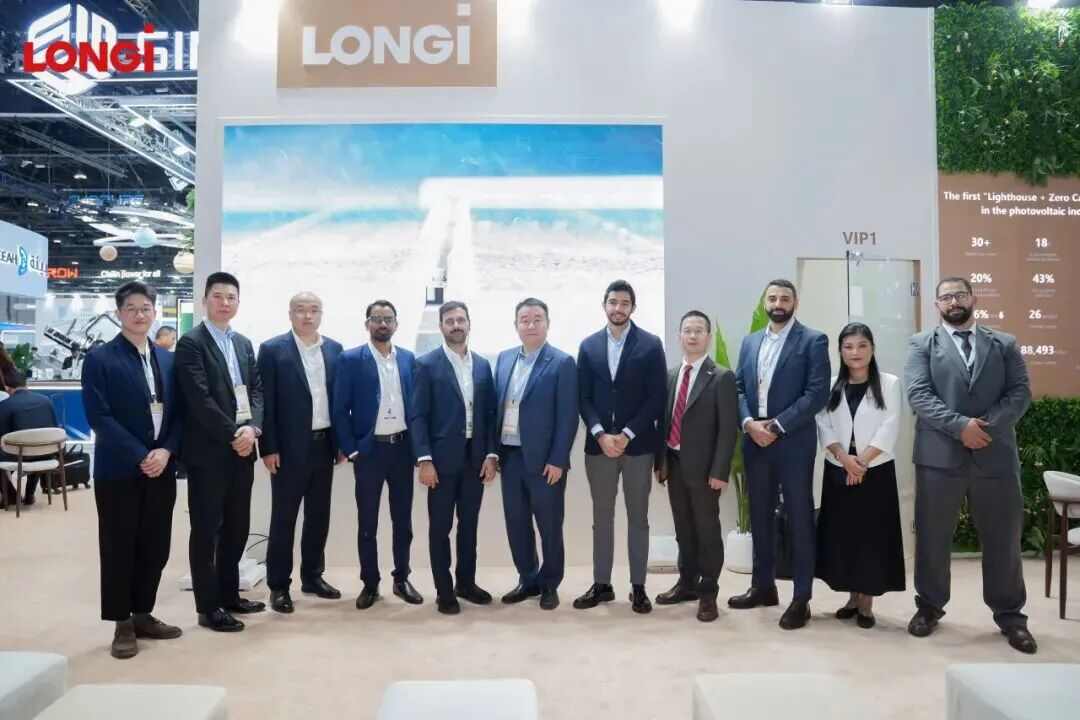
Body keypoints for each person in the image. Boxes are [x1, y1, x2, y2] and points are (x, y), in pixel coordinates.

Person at [904, 277, 1036, 654]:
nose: (953, 302)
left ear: (973, 298)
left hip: (995, 455)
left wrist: (984, 428)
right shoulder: (921, 344)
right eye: (946, 297)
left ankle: (1010, 615)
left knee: (1003, 538)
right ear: (937, 304)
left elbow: (1020, 392)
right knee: (932, 537)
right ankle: (929, 606)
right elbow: (918, 394)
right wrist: (960, 426)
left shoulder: (1004, 343)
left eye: (960, 295)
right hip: (938, 458)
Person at [81, 281, 183, 659]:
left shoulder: (167, 359)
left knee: (155, 546)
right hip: (119, 470)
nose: (140, 314)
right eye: (131, 308)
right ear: (119, 313)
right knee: (119, 545)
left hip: (162, 467)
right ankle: (121, 622)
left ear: (154, 312)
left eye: (146, 308)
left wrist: (167, 450)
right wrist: (142, 455)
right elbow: (99, 417)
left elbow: (179, 413)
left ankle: (143, 613)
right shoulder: (100, 359)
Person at [728, 279, 830, 630]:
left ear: (795, 303)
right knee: (759, 515)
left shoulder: (813, 340)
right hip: (754, 440)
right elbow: (738, 387)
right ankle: (763, 587)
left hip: (793, 441)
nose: (778, 303)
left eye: (785, 298)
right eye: (772, 298)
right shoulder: (750, 342)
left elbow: (816, 393)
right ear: (765, 303)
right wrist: (748, 423)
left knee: (799, 517)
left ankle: (801, 598)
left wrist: (776, 426)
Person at [175, 271, 265, 632]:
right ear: (204, 301)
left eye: (231, 297)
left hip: (243, 449)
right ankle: (208, 607)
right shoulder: (191, 343)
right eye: (218, 296)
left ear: (238, 303)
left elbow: (256, 390)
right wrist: (234, 433)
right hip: (209, 452)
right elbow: (199, 399)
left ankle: (230, 595)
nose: (224, 303)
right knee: (206, 529)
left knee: (237, 526)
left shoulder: (242, 343)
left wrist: (252, 428)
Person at [573, 280, 666, 614]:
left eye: (624, 303)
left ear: (633, 308)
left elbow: (656, 397)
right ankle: (602, 584)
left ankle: (638, 587)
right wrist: (601, 434)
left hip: (638, 446)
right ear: (605, 305)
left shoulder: (651, 345)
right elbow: (582, 396)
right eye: (613, 302)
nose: (618, 308)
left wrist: (626, 434)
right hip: (599, 447)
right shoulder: (588, 346)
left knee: (638, 518)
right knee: (602, 517)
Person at [409, 301, 499, 615]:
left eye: (461, 319)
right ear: (441, 327)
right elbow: (418, 416)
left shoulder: (483, 365)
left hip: (475, 460)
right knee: (440, 528)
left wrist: (491, 454)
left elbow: (490, 414)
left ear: (469, 324)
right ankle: (444, 591)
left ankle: (466, 584)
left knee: (469, 527)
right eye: (450, 321)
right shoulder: (426, 365)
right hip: (440, 462)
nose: (456, 325)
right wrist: (424, 459)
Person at [257, 292, 344, 614]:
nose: (307, 316)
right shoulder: (272, 349)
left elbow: (340, 400)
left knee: (318, 516)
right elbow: (265, 402)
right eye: (300, 310)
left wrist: (340, 443)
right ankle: (279, 585)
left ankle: (313, 576)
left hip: (324, 444)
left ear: (321, 314)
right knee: (284, 518)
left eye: (313, 310)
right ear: (290, 313)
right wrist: (268, 447)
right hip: (288, 448)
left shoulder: (334, 349)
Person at [814, 323, 904, 629]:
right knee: (845, 536)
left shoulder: (890, 383)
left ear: (872, 349)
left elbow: (890, 425)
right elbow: (823, 424)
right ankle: (852, 597)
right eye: (849, 346)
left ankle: (866, 602)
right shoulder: (830, 385)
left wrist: (861, 463)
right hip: (838, 469)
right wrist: (845, 459)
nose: (855, 352)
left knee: (872, 538)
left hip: (875, 471)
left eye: (862, 345)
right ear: (840, 351)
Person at [332, 300, 421, 609]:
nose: (383, 324)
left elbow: (416, 407)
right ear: (367, 324)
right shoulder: (350, 359)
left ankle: (402, 579)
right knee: (367, 522)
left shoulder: (408, 359)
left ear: (396, 324)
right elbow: (339, 408)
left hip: (402, 450)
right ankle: (370, 583)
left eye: (388, 319)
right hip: (369, 452)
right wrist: (352, 449)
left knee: (403, 522)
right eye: (376, 318)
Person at [495, 298, 578, 611]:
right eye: (525, 320)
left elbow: (568, 416)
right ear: (516, 325)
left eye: (537, 319)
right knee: (516, 523)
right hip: (510, 457)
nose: (531, 325)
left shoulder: (562, 362)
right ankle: (527, 579)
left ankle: (550, 584)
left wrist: (558, 459)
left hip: (545, 462)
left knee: (549, 525)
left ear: (547, 324)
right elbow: (496, 408)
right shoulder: (504, 359)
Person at [654, 311, 738, 622]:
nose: (692, 336)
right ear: (679, 336)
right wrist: (661, 462)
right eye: (687, 330)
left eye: (698, 331)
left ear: (708, 337)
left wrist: (719, 471)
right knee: (683, 529)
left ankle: (708, 593)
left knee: (707, 531)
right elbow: (665, 422)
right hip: (674, 464)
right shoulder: (672, 374)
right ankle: (686, 583)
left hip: (705, 471)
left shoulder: (721, 376)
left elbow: (728, 429)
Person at [0, 369, 60, 507]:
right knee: (36, 446)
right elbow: (54, 428)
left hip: (20, 455)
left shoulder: (5, 406)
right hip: (47, 453)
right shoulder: (46, 401)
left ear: (7, 388)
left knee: (23, 449)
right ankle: (29, 494)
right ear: (26, 384)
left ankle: (11, 495)